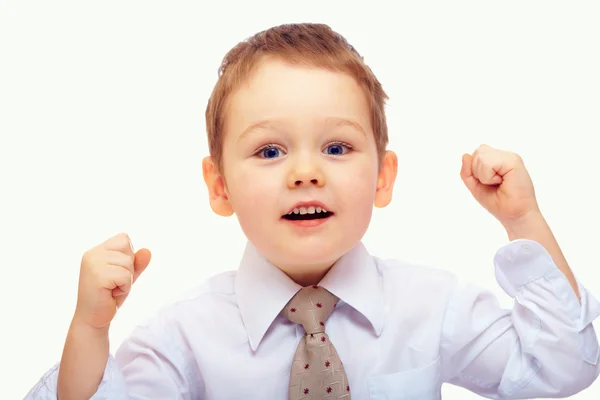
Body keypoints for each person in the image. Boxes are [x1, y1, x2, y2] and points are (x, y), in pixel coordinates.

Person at [26, 23, 599, 400]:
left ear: (382, 176)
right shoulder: (185, 334)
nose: (306, 172)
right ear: (219, 186)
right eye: (270, 151)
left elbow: (560, 369)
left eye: (337, 147)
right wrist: (89, 329)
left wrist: (523, 221)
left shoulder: (433, 305)